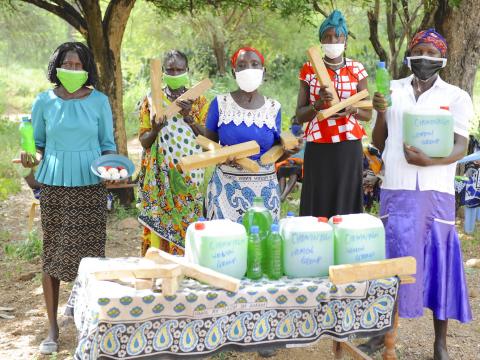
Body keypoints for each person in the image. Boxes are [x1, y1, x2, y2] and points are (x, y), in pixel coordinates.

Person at [369, 29, 473, 359]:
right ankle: (381, 336)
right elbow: (379, 138)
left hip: (435, 188)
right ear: (410, 54)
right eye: (419, 50)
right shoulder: (392, 89)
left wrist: (431, 161)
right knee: (392, 262)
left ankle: (440, 341)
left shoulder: (456, 96)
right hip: (397, 186)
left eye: (432, 51)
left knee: (439, 260)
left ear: (441, 57)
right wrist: (381, 111)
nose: (424, 57)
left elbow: (461, 144)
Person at [20, 42, 117, 354]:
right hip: (55, 184)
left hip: (91, 183)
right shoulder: (44, 102)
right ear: (57, 67)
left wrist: (114, 167)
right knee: (54, 253)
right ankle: (52, 328)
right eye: (68, 64)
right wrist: (29, 156)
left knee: (92, 254)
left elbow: (107, 144)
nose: (73, 70)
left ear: (86, 68)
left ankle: (91, 322)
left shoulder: (100, 101)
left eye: (78, 65)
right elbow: (37, 144)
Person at [204, 47, 297, 223]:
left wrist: (290, 151)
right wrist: (222, 155)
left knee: (261, 245)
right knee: (227, 245)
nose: (249, 69)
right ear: (234, 72)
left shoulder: (273, 108)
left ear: (263, 71)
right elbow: (207, 145)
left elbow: (273, 154)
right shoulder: (220, 104)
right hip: (226, 188)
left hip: (264, 194)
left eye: (255, 64)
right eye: (242, 65)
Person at [296, 10, 371, 219]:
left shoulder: (357, 69)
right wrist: (318, 104)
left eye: (338, 36)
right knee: (317, 197)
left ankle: (345, 244)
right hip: (318, 145)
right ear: (321, 41)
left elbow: (367, 114)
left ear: (345, 41)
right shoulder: (309, 70)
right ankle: (317, 242)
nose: (333, 40)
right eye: (327, 37)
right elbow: (300, 116)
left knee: (346, 199)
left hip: (348, 144)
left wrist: (353, 109)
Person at [137, 50, 209, 256]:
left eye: (179, 70)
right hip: (158, 176)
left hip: (188, 175)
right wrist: (155, 129)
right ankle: (156, 271)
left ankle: (186, 273)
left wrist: (189, 117)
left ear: (187, 71)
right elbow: (144, 141)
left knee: (188, 224)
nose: (175, 73)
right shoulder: (152, 101)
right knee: (157, 225)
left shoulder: (200, 101)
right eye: (170, 70)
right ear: (163, 72)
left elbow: (207, 141)